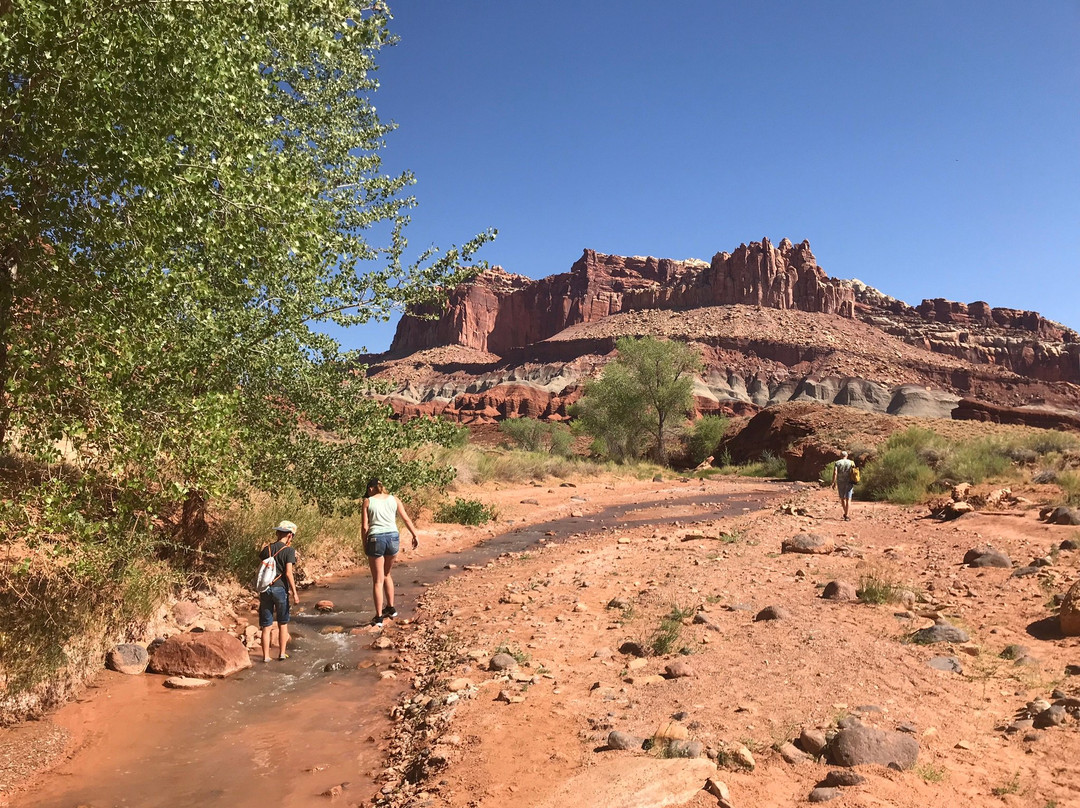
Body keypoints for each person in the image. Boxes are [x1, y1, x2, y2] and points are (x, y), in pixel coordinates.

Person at [362, 478, 418, 628]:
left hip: (376, 538)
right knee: (387, 574)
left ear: (371, 489)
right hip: (393, 537)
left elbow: (365, 527)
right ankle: (391, 608)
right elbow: (405, 519)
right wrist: (415, 535)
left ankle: (379, 617)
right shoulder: (394, 499)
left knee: (377, 580)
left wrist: (364, 544)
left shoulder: (368, 501)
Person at [259, 520, 301, 662]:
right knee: (283, 623)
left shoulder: (267, 549)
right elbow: (288, 573)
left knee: (266, 625)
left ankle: (266, 657)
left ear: (278, 533)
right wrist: (295, 593)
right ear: (289, 535)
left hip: (265, 588)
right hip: (280, 589)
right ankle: (282, 654)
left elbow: (262, 569)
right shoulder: (289, 551)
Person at [831, 451, 856, 521]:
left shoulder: (837, 463)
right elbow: (855, 472)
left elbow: (835, 473)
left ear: (840, 456)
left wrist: (833, 482)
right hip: (849, 482)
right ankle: (847, 515)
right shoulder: (851, 462)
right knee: (848, 498)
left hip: (840, 482)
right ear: (847, 455)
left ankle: (846, 513)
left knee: (842, 498)